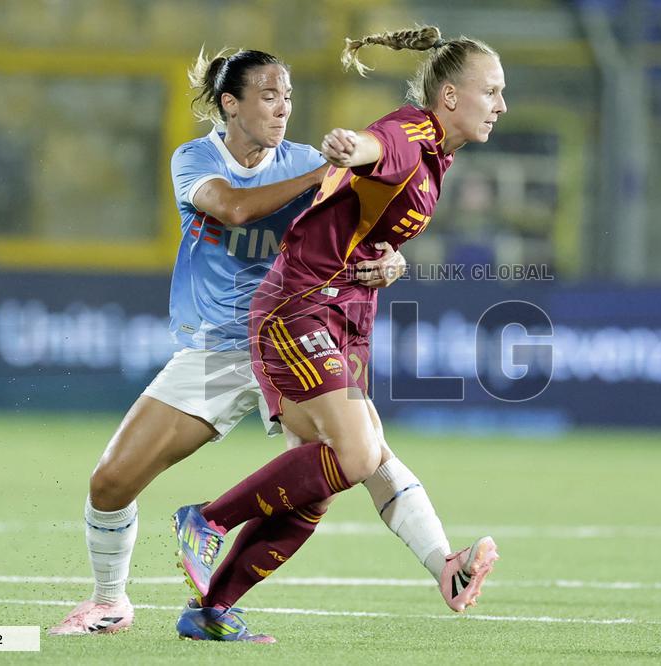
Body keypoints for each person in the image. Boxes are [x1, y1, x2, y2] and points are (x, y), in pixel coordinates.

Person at [49, 45, 482, 638]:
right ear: (231, 103)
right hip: (221, 348)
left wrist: (392, 261)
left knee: (353, 460)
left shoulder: (305, 156)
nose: (283, 109)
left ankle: (434, 565)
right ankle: (110, 601)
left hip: (302, 329)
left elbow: (365, 220)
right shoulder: (197, 157)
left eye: (289, 97)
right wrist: (327, 174)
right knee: (111, 481)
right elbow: (232, 208)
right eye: (269, 96)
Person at [174, 25, 507, 642]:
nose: (501, 105)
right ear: (452, 96)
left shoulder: (439, 155)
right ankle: (206, 521)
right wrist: (351, 148)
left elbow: (370, 213)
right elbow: (377, 147)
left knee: (332, 474)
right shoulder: (412, 133)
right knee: (354, 456)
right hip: (298, 308)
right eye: (492, 91)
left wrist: (392, 259)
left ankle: (212, 609)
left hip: (344, 316)